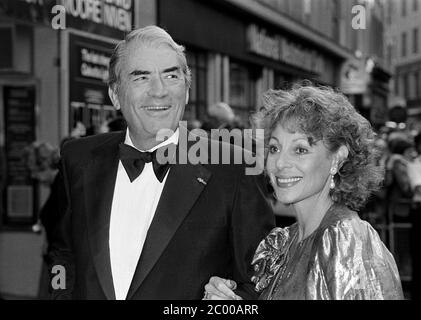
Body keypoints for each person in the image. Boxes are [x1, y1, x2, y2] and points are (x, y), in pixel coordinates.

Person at [47, 26, 274, 300]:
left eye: (171, 75)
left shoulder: (236, 169)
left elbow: (261, 285)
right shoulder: (79, 158)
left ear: (187, 91)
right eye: (141, 77)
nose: (159, 91)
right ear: (115, 95)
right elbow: (63, 254)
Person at [204, 85, 403, 300]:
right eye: (274, 148)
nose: (280, 163)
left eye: (300, 150)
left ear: (337, 157)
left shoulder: (346, 241)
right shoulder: (283, 242)